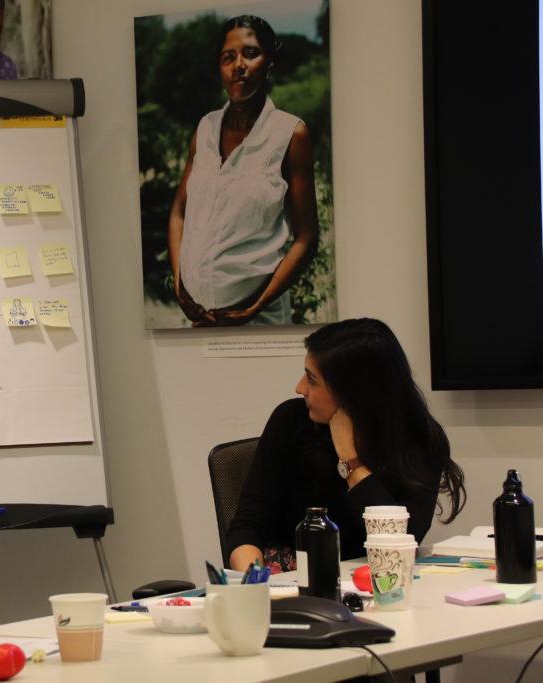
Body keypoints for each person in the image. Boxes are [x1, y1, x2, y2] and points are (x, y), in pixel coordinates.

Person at [226, 318, 466, 572]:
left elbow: (401, 542)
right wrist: (253, 585)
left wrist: (351, 460)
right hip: (291, 583)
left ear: (353, 392)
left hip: (376, 583)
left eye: (312, 380)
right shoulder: (291, 421)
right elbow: (248, 525)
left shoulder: (417, 438)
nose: (300, 388)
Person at [167, 15, 319, 326]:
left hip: (258, 322)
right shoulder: (206, 129)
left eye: (251, 53)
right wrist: (181, 284)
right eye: (228, 57)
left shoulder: (290, 134)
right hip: (198, 320)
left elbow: (307, 237)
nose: (239, 65)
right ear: (219, 67)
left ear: (269, 61)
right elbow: (179, 213)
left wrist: (254, 306)